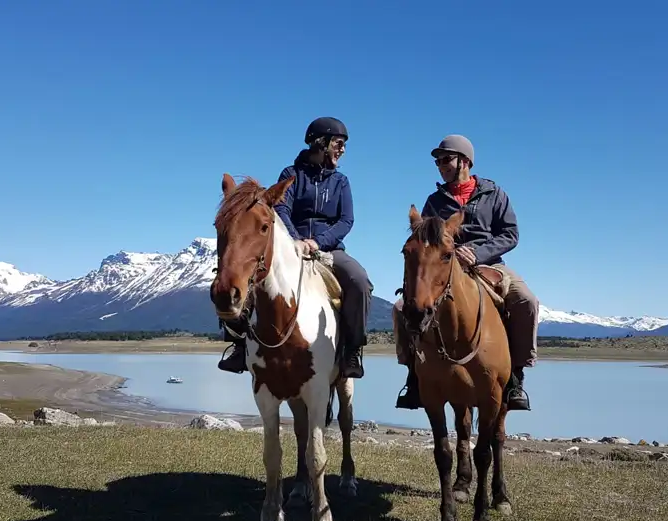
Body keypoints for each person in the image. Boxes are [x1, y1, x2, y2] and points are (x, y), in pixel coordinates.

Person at [217, 116, 374, 378]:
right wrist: (295, 240)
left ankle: (352, 350)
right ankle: (239, 344)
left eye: (344, 144)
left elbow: (346, 220)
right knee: (250, 275)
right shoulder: (291, 174)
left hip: (329, 249)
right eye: (338, 143)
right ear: (321, 142)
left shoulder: (341, 182)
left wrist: (318, 242)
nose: (342, 149)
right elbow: (281, 209)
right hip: (291, 246)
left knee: (360, 281)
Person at [394, 134, 539, 411]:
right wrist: (447, 253)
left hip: (489, 263)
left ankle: (516, 377)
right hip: (446, 265)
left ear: (465, 161)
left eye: (445, 159)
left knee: (527, 301)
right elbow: (426, 240)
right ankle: (414, 375)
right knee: (402, 307)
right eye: (438, 162)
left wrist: (478, 253)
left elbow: (510, 234)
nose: (440, 166)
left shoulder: (494, 194)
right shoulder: (434, 201)